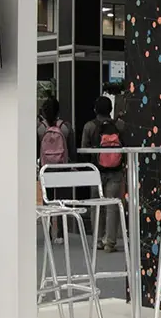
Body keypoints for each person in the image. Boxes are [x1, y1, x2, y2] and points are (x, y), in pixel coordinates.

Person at [81, 95, 125, 253]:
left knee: (96, 206)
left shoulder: (89, 126)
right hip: (116, 171)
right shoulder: (119, 125)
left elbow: (84, 149)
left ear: (95, 110)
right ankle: (110, 242)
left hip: (96, 171)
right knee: (112, 206)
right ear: (111, 109)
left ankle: (97, 240)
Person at [37, 97, 76, 243]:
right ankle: (60, 234)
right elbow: (72, 149)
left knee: (47, 201)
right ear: (59, 111)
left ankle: (47, 232)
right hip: (62, 168)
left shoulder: (40, 128)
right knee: (61, 201)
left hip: (46, 168)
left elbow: (36, 150)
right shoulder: (65, 127)